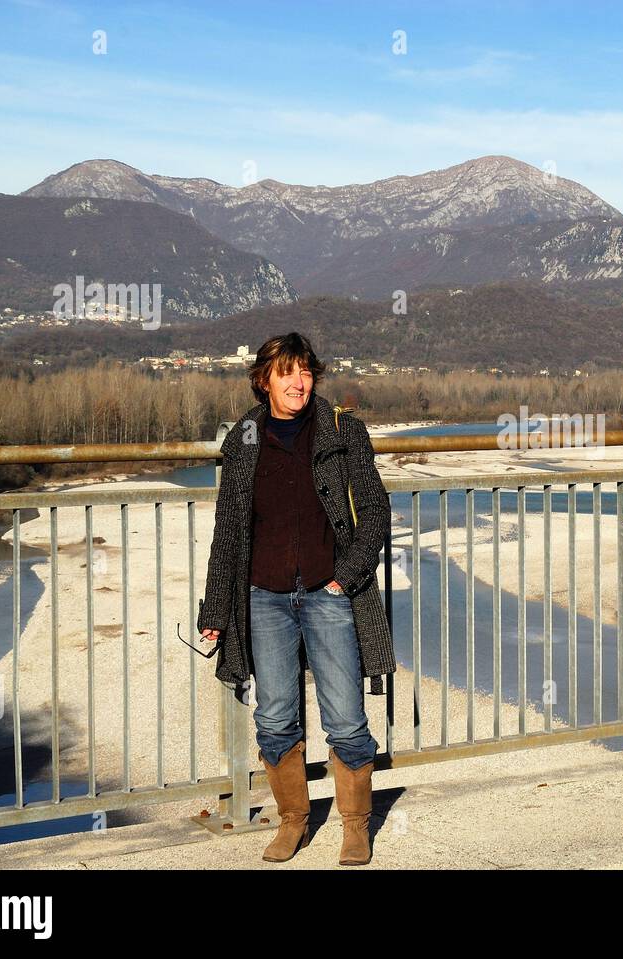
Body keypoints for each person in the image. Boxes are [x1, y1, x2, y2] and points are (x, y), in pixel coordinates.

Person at [197, 331, 395, 865]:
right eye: (286, 373)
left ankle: (355, 827)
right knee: (275, 718)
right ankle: (293, 821)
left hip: (329, 594)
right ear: (263, 381)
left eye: (305, 372)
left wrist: (343, 577)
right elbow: (228, 533)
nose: (298, 383)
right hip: (264, 598)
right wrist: (215, 609)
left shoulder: (343, 431)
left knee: (347, 718)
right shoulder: (243, 441)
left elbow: (374, 510)